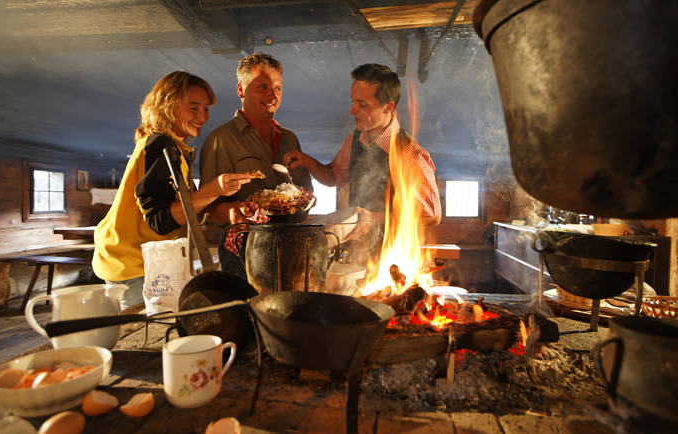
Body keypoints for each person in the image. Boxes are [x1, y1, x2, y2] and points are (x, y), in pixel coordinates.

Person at [93, 71, 252, 310]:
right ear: (169, 106)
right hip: (133, 263)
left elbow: (185, 209)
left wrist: (225, 207)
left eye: (205, 109)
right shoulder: (160, 145)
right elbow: (160, 220)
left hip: (143, 261)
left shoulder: (174, 147)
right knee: (147, 331)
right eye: (193, 108)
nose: (202, 117)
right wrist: (215, 188)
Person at [283, 63, 441, 256]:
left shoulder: (410, 154)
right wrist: (307, 161)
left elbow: (431, 215)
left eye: (362, 104)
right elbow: (334, 177)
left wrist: (372, 217)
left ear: (388, 107)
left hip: (392, 258)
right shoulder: (356, 139)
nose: (352, 110)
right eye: (353, 101)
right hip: (356, 253)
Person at [200, 52, 312, 279]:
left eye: (278, 88)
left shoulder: (289, 139)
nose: (272, 95)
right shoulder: (221, 139)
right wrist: (232, 211)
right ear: (241, 90)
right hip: (243, 246)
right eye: (262, 87)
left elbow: (304, 194)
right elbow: (207, 206)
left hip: (289, 245)